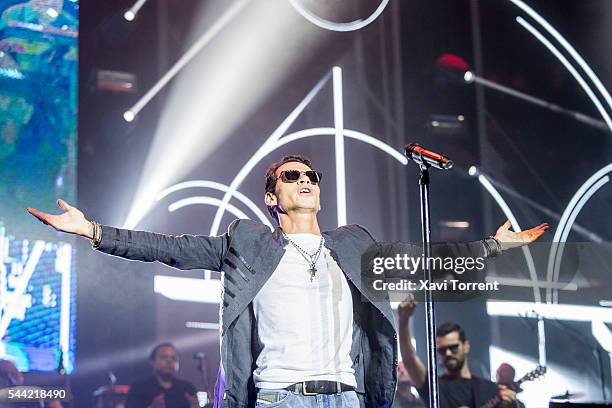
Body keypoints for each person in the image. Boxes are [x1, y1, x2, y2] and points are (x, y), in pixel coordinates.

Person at [27, 155, 548, 407]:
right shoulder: (248, 244)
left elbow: (423, 259)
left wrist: (492, 246)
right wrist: (94, 230)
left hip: (347, 398)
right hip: (281, 399)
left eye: (311, 175)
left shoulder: (354, 245)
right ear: (272, 198)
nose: (305, 180)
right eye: (291, 176)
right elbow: (171, 250)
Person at [397, 298, 517, 408]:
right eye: (442, 350)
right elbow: (410, 360)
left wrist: (512, 406)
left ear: (466, 346)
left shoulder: (489, 389)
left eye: (453, 347)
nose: (448, 353)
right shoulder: (434, 387)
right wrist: (403, 322)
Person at [126, 342, 198, 408]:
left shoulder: (187, 388)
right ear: (152, 362)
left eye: (173, 358)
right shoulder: (139, 387)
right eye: (164, 357)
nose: (169, 361)